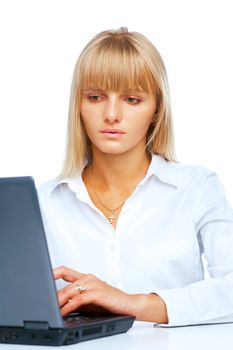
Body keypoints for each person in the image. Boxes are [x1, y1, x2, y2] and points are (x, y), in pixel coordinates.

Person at [38, 27, 233, 327]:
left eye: (131, 99)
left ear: (157, 109)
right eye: (95, 96)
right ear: (78, 105)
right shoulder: (44, 202)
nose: (112, 114)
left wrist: (131, 303)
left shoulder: (196, 187)